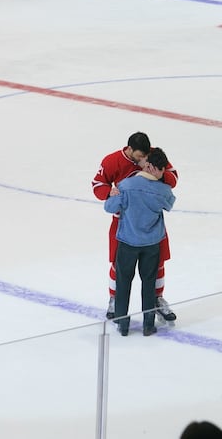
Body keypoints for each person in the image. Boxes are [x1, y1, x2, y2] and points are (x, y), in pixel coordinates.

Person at [92, 131, 179, 321]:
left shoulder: (154, 155)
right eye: (140, 156)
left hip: (151, 222)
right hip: (124, 224)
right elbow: (97, 184)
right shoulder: (112, 161)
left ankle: (157, 298)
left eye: (146, 155)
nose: (144, 160)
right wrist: (110, 192)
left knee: (158, 262)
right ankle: (115, 300)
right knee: (118, 263)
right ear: (130, 149)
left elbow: (173, 178)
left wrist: (161, 175)